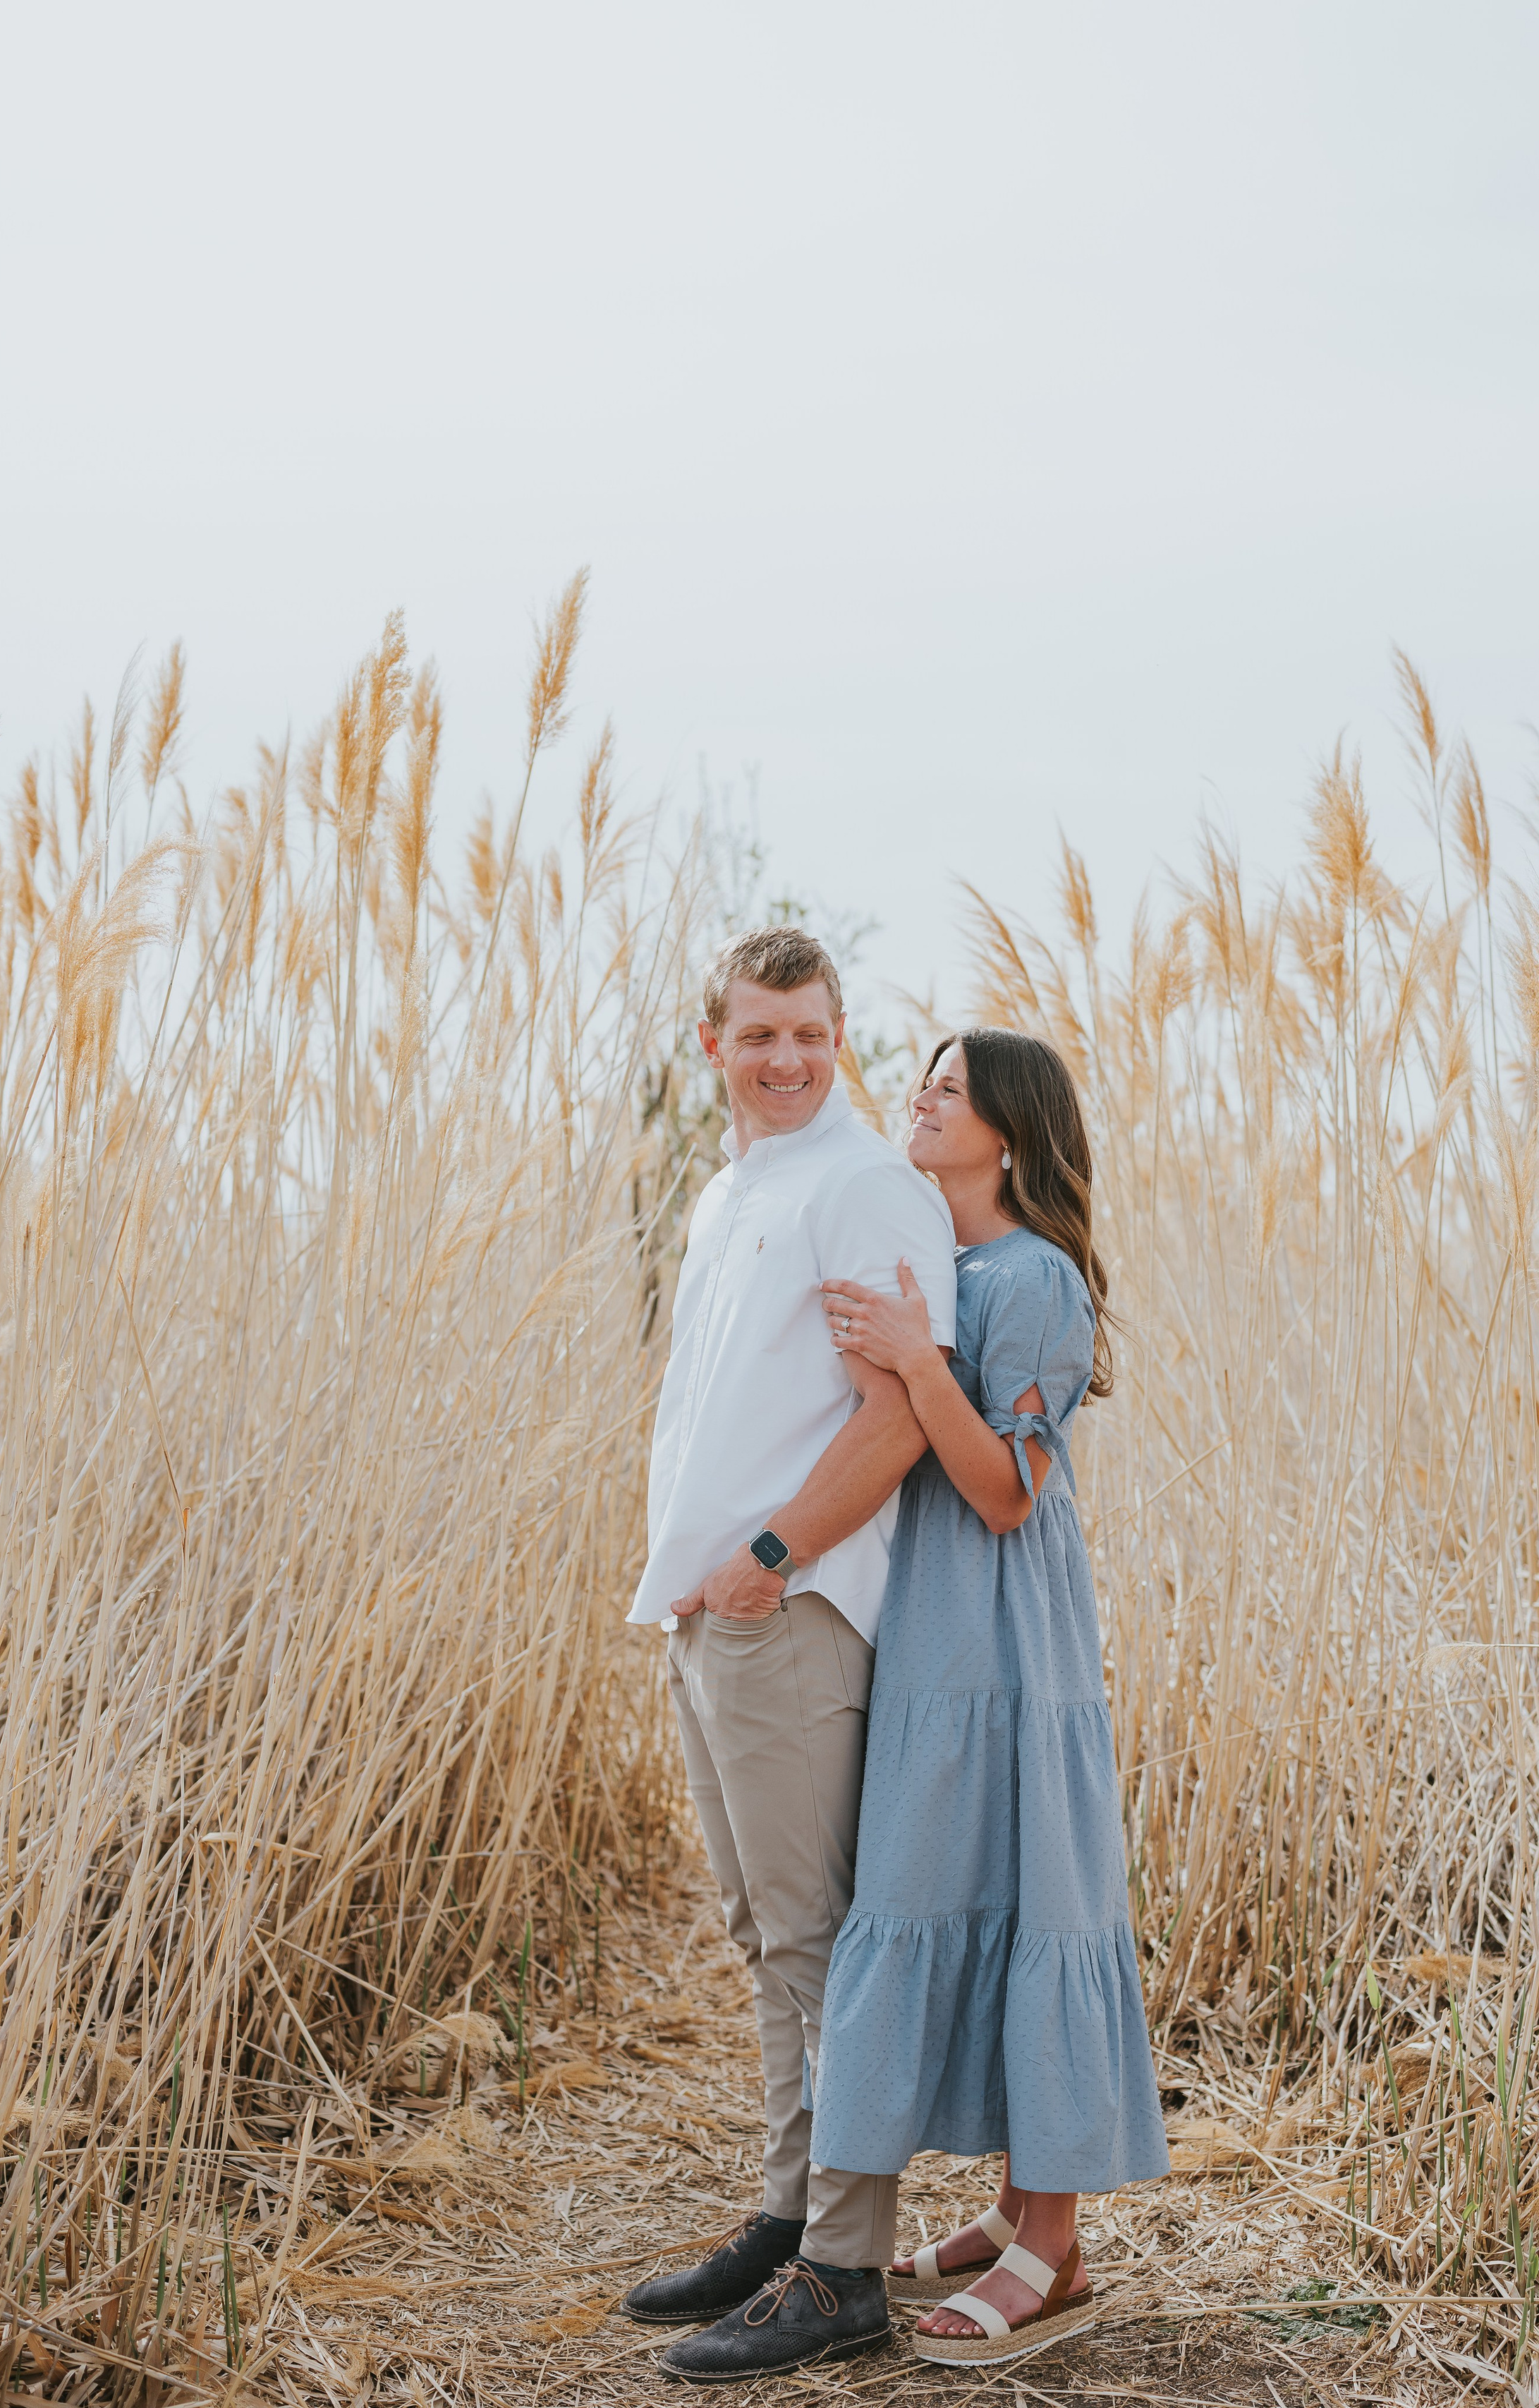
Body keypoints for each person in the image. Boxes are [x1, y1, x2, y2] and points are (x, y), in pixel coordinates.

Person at [617, 927, 959, 2383]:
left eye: (810, 1032)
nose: (787, 1058)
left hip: (791, 1607)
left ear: (840, 1037)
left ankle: (846, 2266)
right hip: (706, 1613)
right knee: (764, 1931)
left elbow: (898, 1415)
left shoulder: (860, 1183)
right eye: (759, 1033)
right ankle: (787, 2216)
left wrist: (768, 1558)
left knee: (819, 1937)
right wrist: (705, 1583)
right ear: (715, 1044)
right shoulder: (728, 1190)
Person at [809, 1026, 1169, 2368]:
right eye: (926, 1074)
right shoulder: (951, 1267)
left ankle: (1055, 2242)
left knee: (1037, 1886)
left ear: (1008, 1134)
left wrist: (917, 1360)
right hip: (936, 1626)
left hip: (1010, 1632)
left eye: (950, 1087)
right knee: (955, 1879)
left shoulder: (1036, 1277)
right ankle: (1014, 2208)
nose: (921, 1094)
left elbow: (1010, 1492)